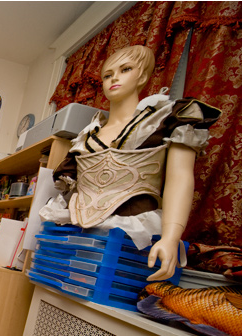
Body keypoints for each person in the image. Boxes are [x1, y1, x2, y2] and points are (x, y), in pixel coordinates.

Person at [48, 45, 220, 281]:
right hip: (78, 233)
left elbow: (179, 178)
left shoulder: (165, 120)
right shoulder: (86, 136)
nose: (114, 78)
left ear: (143, 76)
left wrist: (170, 237)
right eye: (107, 75)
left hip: (132, 235)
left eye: (125, 69)